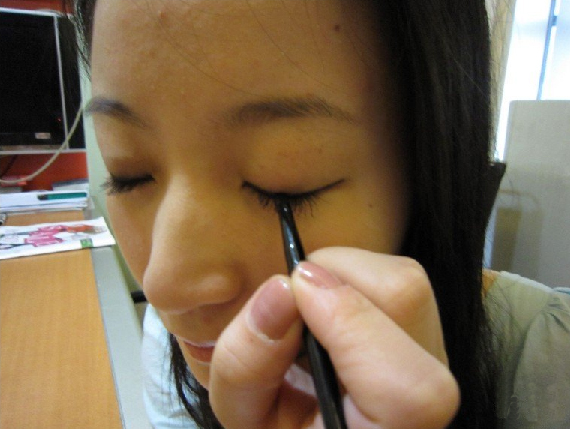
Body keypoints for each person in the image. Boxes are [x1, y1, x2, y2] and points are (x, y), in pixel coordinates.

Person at [68, 0, 570, 428]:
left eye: (280, 182)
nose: (163, 287)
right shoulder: (168, 340)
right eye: (129, 173)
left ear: (430, 169)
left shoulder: (547, 362)